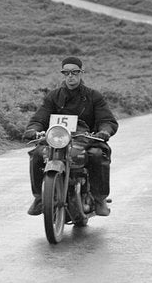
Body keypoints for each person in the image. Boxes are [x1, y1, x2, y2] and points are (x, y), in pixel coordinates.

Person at [24, 56, 118, 216]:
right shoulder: (53, 96)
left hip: (86, 139)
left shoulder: (94, 96)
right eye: (66, 73)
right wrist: (33, 129)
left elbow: (107, 120)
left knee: (97, 154)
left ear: (81, 73)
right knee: (38, 154)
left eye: (74, 72)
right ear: (63, 74)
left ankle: (99, 199)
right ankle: (39, 197)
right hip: (57, 139)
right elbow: (40, 118)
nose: (70, 76)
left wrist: (104, 131)